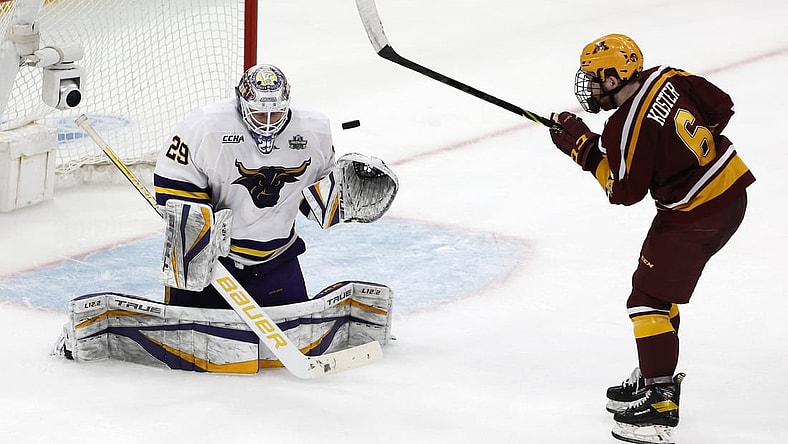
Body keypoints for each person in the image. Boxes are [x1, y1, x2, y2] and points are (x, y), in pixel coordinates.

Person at [549, 34, 755, 444]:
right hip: (729, 193)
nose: (588, 87)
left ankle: (661, 402)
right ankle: (652, 374)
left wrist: (585, 151)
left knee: (646, 300)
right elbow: (721, 107)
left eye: (593, 79)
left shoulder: (622, 127)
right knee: (656, 295)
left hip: (697, 215)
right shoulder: (668, 76)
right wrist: (678, 157)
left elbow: (624, 192)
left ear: (613, 78)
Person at [153, 63, 397, 309]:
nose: (267, 122)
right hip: (215, 262)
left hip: (276, 259)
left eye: (276, 113)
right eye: (259, 113)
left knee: (295, 333)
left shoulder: (314, 130)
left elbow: (314, 202)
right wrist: (200, 234)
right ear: (241, 102)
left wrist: (343, 196)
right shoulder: (206, 125)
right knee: (185, 331)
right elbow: (172, 180)